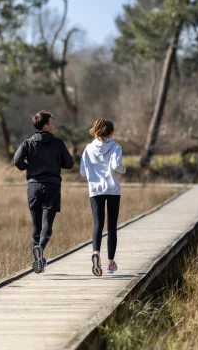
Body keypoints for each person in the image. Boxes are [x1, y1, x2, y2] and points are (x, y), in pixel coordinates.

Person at [14, 111, 74, 273]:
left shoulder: (27, 143)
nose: (54, 126)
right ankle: (40, 248)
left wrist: (28, 166)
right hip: (52, 186)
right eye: (52, 123)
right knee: (47, 224)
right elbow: (69, 164)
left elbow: (17, 161)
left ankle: (37, 259)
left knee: (36, 224)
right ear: (46, 126)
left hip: (33, 186)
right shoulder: (58, 143)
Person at [80, 118, 126, 277]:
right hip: (112, 189)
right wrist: (123, 169)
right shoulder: (116, 147)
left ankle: (96, 252)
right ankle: (111, 263)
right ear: (111, 133)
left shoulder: (88, 148)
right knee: (112, 226)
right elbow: (116, 166)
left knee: (98, 224)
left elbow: (82, 171)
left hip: (95, 190)